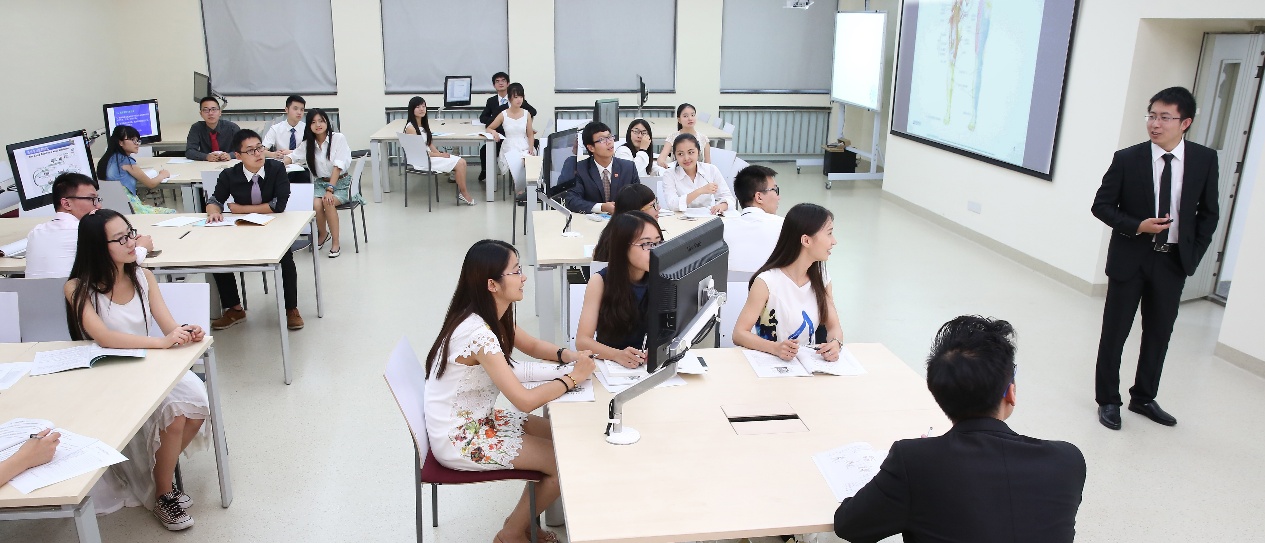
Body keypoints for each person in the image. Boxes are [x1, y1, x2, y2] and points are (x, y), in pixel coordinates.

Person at [834, 316, 1086, 543]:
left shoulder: (913, 462)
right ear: (1010, 392)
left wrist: (911, 468)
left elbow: (849, 526)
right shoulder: (1068, 461)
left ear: (937, 394)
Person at [424, 239, 596, 543]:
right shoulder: (479, 334)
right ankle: (512, 532)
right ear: (492, 284)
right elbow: (524, 400)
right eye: (516, 271)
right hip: (461, 438)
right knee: (562, 462)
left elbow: (532, 347)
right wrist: (572, 378)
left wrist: (567, 357)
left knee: (563, 439)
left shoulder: (489, 313)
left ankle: (524, 524)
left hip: (478, 420)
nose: (523, 277)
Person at [64, 209, 211, 531]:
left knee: (197, 405)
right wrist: (161, 343)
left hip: (148, 363)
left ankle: (156, 475)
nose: (132, 242)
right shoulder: (77, 287)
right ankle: (163, 493)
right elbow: (104, 338)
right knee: (175, 414)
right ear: (97, 247)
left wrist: (186, 332)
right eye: (120, 239)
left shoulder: (143, 276)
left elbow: (168, 326)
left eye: (130, 233)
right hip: (110, 371)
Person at [1091, 86, 1220, 430]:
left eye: (1165, 117)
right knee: (1115, 333)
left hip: (1172, 262)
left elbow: (1209, 214)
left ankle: (1144, 397)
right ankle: (1108, 400)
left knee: (1159, 334)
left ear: (1185, 123)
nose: (1155, 124)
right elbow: (1101, 206)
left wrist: (1192, 253)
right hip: (1130, 259)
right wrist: (1138, 226)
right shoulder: (1127, 158)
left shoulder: (1204, 160)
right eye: (1151, 116)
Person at [204, 129, 304, 330]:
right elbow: (215, 200)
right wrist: (213, 211)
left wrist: (240, 209)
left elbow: (278, 205)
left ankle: (291, 309)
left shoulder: (276, 168)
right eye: (251, 151)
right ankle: (234, 308)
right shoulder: (229, 174)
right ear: (238, 156)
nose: (258, 154)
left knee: (285, 258)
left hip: (275, 226)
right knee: (218, 255)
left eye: (259, 148)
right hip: (243, 229)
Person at [732, 203, 844, 361]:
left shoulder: (822, 278)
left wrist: (835, 343)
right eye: (829, 233)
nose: (834, 241)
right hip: (770, 363)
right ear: (806, 240)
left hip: (806, 364)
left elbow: (834, 327)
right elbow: (739, 334)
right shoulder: (766, 282)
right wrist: (775, 348)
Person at [25, 173, 154, 279]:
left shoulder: (35, 232)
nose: (98, 206)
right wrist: (142, 247)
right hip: (76, 300)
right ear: (66, 204)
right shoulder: (87, 231)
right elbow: (120, 264)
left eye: (97, 199)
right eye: (91, 199)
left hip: (33, 301)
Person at [576, 212, 662, 369]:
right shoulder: (600, 282)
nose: (655, 251)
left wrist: (660, 347)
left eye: (658, 243)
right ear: (623, 247)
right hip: (610, 366)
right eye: (646, 244)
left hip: (647, 365)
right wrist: (616, 355)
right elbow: (582, 341)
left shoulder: (662, 277)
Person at [285, 108, 361, 258]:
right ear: (309, 126)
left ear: (327, 122)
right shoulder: (308, 144)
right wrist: (280, 165)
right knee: (316, 204)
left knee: (328, 202)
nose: (318, 125)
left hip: (341, 183)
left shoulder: (338, 138)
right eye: (313, 122)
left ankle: (336, 242)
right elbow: (293, 156)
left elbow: (338, 166)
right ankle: (323, 233)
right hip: (321, 183)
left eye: (321, 121)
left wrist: (330, 189)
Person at [403, 96, 475, 205]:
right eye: (418, 107)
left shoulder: (422, 124)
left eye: (423, 106)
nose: (422, 109)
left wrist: (439, 153)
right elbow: (421, 153)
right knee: (460, 164)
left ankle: (462, 193)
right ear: (412, 109)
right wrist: (440, 156)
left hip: (430, 156)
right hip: (423, 161)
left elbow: (429, 144)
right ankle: (464, 194)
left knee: (463, 162)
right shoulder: (411, 128)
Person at [561, 122, 642, 214]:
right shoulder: (580, 169)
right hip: (589, 221)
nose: (609, 142)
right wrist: (602, 207)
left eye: (609, 137)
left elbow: (639, 198)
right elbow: (572, 201)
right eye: (602, 140)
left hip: (622, 220)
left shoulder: (628, 167)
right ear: (591, 148)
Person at [96, 125, 176, 214]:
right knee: (172, 212)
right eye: (132, 140)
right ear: (120, 142)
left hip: (113, 208)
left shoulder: (106, 160)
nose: (137, 143)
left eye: (137, 140)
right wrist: (163, 175)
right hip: (130, 207)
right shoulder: (126, 161)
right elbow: (151, 184)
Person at [478, 72, 538, 181]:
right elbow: (487, 122)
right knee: (486, 150)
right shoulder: (499, 108)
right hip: (506, 140)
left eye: (503, 81)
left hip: (522, 140)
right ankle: (486, 172)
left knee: (531, 157)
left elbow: (533, 113)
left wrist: (523, 125)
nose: (518, 99)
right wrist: (498, 128)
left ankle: (530, 184)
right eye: (497, 81)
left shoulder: (524, 110)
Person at [724, 165, 784, 273]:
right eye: (775, 190)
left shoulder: (722, 230)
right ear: (759, 197)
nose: (778, 197)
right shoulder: (785, 227)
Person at [485, 83, 536, 199]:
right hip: (509, 145)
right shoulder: (503, 114)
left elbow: (530, 134)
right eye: (516, 97)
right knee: (519, 161)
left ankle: (529, 190)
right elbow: (489, 127)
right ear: (509, 98)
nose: (519, 100)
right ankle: (520, 191)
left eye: (521, 97)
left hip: (524, 144)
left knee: (528, 159)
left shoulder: (527, 114)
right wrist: (493, 132)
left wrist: (531, 148)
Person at [661, 134, 733, 215]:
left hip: (707, 217)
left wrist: (722, 205)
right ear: (675, 156)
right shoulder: (669, 174)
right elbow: (672, 204)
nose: (686, 158)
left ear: (698, 152)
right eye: (680, 154)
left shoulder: (711, 169)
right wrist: (700, 191)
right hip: (679, 218)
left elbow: (728, 197)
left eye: (691, 152)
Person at [656, 103, 711, 168]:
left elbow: (708, 164)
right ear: (679, 120)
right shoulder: (672, 137)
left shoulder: (703, 138)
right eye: (685, 116)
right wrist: (662, 163)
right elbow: (661, 159)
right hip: (677, 172)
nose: (690, 118)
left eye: (692, 115)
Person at [186, 97, 239, 162]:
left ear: (220, 112)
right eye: (206, 110)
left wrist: (230, 155)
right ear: (201, 114)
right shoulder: (196, 128)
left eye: (214, 109)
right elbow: (190, 151)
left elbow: (243, 149)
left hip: (229, 164)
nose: (210, 113)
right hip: (205, 164)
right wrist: (206, 156)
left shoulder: (232, 128)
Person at [262, 95, 306, 159]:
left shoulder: (307, 129)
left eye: (302, 110)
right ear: (286, 110)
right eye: (295, 109)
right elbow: (262, 151)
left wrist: (291, 152)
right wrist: (274, 154)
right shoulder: (275, 129)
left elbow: (312, 151)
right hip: (282, 163)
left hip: (302, 163)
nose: (299, 112)